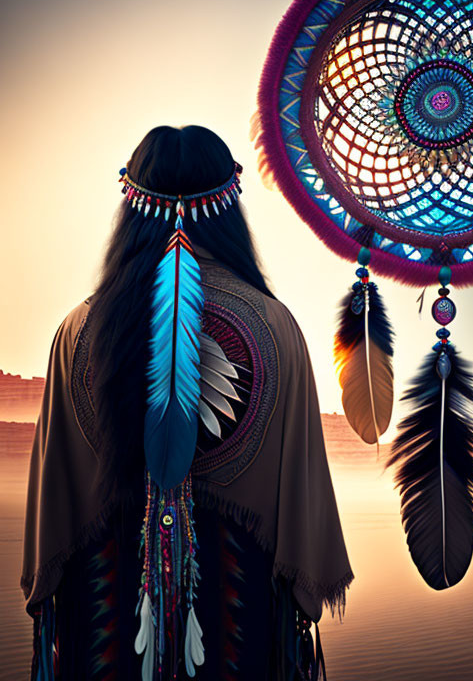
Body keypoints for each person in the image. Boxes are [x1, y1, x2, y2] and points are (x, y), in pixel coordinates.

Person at [21, 125, 352, 680]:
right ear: (229, 207)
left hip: (107, 624)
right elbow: (302, 499)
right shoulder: (278, 329)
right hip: (239, 626)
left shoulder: (77, 332)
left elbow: (54, 504)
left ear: (130, 205)